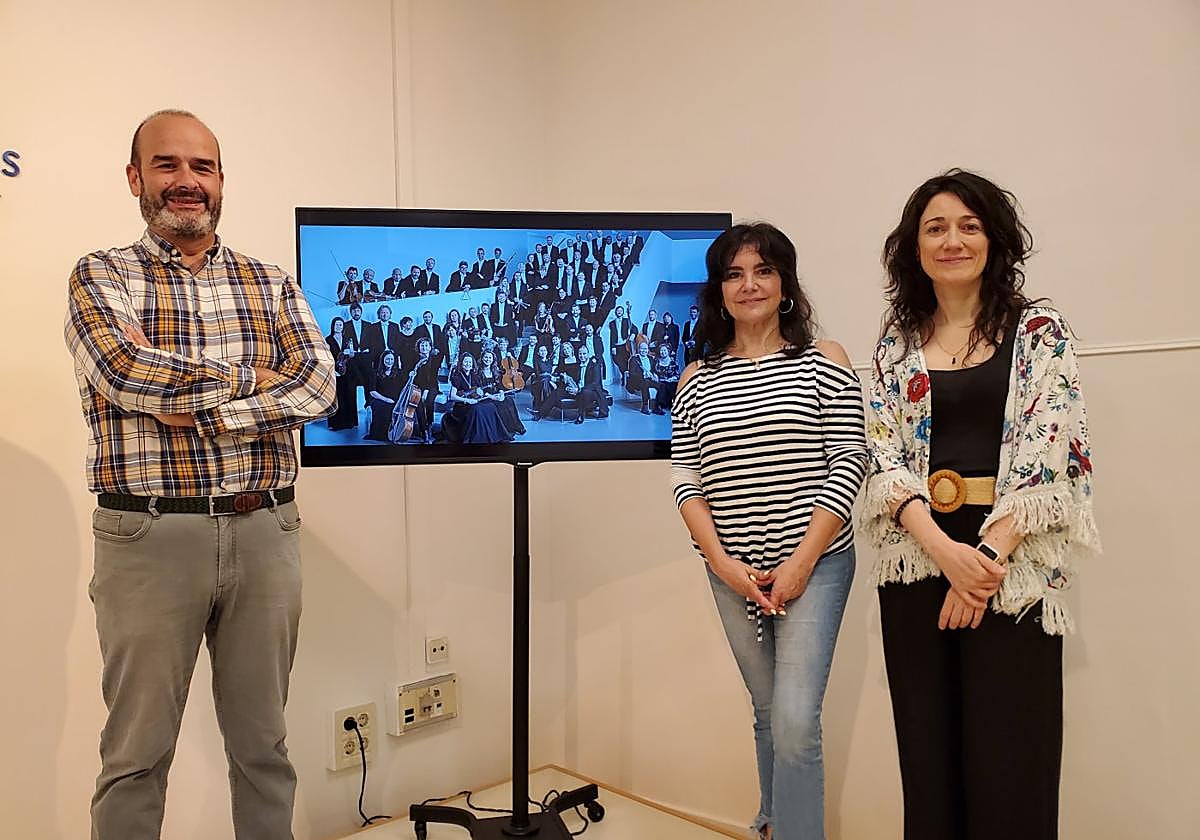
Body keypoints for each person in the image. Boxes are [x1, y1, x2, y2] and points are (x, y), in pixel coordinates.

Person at [63, 109, 336, 840]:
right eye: (167, 165)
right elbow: (125, 371)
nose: (187, 182)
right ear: (135, 178)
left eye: (202, 167)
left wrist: (205, 410)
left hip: (265, 530)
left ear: (221, 182)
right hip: (149, 534)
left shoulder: (269, 281)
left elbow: (317, 388)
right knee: (135, 757)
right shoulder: (100, 275)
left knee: (263, 751)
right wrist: (256, 380)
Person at [861, 170, 1099, 840]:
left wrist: (986, 559)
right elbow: (882, 454)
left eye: (969, 225)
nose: (953, 240)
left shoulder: (1039, 329)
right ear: (914, 247)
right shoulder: (896, 341)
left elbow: (1052, 445)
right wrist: (944, 552)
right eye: (935, 227)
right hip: (918, 557)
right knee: (927, 754)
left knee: (1010, 755)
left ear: (994, 239)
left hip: (1010, 562)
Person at [670, 222, 867, 840]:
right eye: (734, 274)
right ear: (719, 291)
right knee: (767, 713)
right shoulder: (696, 375)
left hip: (815, 566)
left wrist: (802, 564)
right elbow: (687, 482)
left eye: (763, 271)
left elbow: (851, 460)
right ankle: (773, 824)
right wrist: (723, 563)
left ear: (785, 284)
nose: (749, 284)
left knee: (794, 720)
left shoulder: (821, 360)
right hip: (733, 575)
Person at [441, 353, 511, 443]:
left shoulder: (474, 376)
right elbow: (452, 396)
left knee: (491, 406)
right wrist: (467, 400)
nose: (468, 364)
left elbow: (480, 391)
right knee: (476, 409)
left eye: (470, 362)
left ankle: (490, 436)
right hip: (461, 406)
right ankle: (476, 438)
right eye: (465, 362)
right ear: (461, 363)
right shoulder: (457, 376)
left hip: (473, 402)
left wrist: (487, 395)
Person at [478, 348, 526, 436]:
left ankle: (516, 426)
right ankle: (505, 430)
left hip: (496, 394)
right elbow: (480, 388)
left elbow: (499, 385)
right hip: (486, 397)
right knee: (499, 404)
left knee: (509, 400)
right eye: (486, 357)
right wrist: (492, 397)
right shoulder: (478, 372)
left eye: (490, 358)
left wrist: (501, 393)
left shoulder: (495, 371)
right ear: (482, 358)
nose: (487, 359)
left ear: (493, 360)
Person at [326, 316, 360, 431]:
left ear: (343, 326)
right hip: (335, 371)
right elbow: (327, 357)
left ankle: (350, 422)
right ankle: (337, 424)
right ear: (333, 326)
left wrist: (350, 353)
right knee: (338, 396)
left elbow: (353, 355)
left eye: (341, 325)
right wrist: (333, 371)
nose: (339, 327)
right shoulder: (328, 340)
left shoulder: (348, 339)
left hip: (348, 370)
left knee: (350, 395)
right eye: (336, 325)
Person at [365, 348, 403, 441]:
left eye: (391, 359)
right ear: (383, 360)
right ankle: (380, 435)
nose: (389, 361)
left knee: (393, 407)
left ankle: (392, 434)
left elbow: (403, 389)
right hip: (379, 398)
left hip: (394, 399)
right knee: (381, 407)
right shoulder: (375, 372)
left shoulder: (399, 373)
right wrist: (386, 399)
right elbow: (372, 391)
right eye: (387, 359)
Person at [573, 343, 609, 423]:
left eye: (584, 354)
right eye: (580, 354)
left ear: (588, 354)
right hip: (580, 389)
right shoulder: (578, 365)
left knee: (583, 392)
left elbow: (595, 383)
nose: (582, 356)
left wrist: (580, 389)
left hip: (593, 391)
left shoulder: (595, 365)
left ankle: (580, 416)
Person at [650, 342, 680, 414]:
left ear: (668, 351)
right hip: (659, 380)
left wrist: (672, 378)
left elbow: (677, 374)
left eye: (664, 350)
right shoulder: (656, 361)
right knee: (663, 385)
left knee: (671, 385)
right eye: (661, 350)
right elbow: (652, 370)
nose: (663, 352)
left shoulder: (673, 362)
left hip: (670, 380)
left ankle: (671, 404)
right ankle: (658, 406)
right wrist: (654, 375)